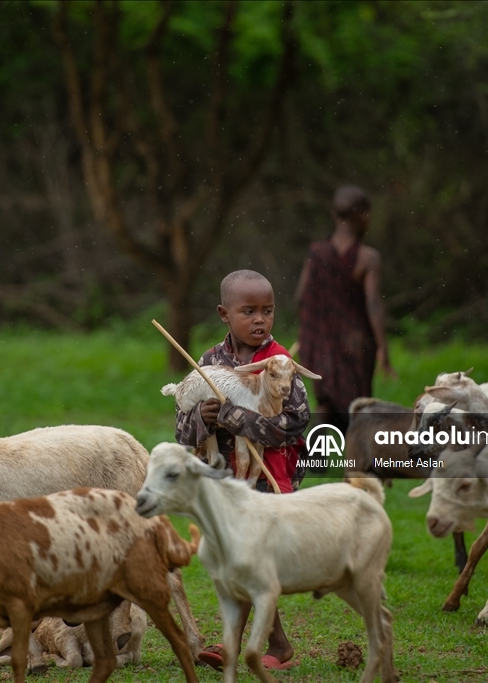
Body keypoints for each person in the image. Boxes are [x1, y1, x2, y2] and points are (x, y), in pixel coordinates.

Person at [174, 269, 309, 671]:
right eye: (248, 311)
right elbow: (182, 431)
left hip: (269, 477)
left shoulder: (281, 362)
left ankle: (238, 645)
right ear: (224, 314)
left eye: (267, 311)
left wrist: (235, 417)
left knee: (248, 555)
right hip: (223, 478)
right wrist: (203, 416)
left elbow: (295, 425)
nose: (260, 320)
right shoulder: (209, 363)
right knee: (243, 558)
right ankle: (277, 644)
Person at [295, 184, 396, 435]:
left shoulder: (316, 253)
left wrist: (311, 329)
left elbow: (300, 296)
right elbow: (373, 303)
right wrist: (382, 346)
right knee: (356, 403)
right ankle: (357, 459)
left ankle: (317, 453)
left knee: (326, 399)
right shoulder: (368, 257)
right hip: (355, 342)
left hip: (320, 339)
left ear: (334, 215)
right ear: (363, 215)